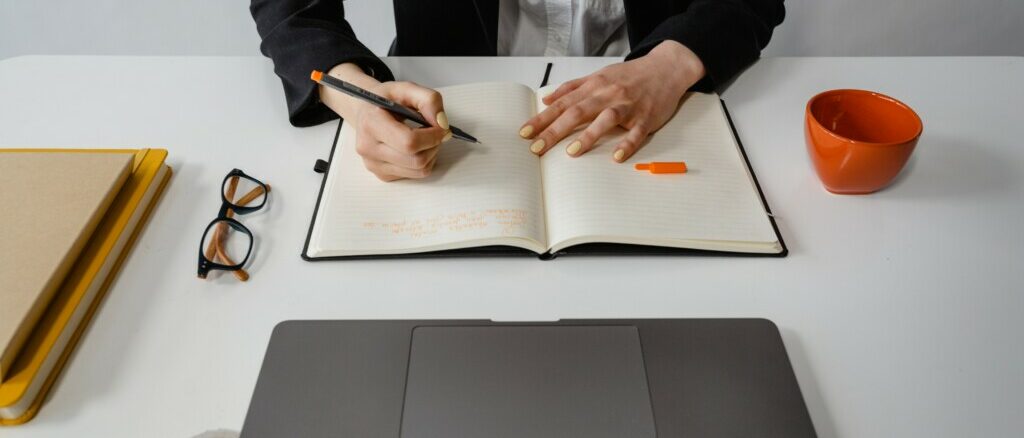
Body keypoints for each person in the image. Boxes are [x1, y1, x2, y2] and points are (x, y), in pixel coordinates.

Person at [251, 1, 784, 181]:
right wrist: (354, 94)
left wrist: (670, 65)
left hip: (658, 84)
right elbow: (292, 7)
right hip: (447, 80)